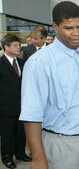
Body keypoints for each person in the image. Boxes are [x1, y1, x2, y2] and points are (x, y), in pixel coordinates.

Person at [19, 1, 79, 169]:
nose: (76, 33)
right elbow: (31, 115)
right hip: (59, 145)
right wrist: (38, 158)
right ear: (55, 27)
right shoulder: (39, 62)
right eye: (69, 28)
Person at [0, 35, 31, 169]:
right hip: (5, 107)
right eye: (15, 45)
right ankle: (7, 157)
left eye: (19, 45)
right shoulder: (0, 63)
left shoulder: (22, 62)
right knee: (7, 134)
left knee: (21, 132)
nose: (19, 47)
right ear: (6, 47)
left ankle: (20, 154)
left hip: (22, 106)